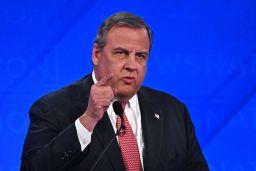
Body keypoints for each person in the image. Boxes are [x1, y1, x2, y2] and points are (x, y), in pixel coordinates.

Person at [20, 12, 209, 171]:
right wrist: (87, 121)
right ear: (97, 54)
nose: (132, 65)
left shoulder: (173, 111)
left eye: (141, 56)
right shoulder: (52, 108)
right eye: (121, 53)